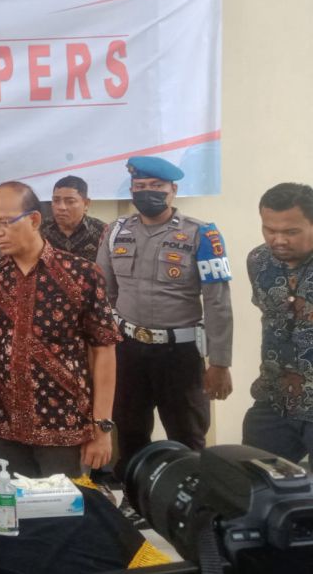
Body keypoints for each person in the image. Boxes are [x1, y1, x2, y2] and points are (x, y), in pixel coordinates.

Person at [0, 183, 121, 481]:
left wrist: (101, 428)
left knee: (68, 509)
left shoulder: (82, 274)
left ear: (34, 219)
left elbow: (103, 349)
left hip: (66, 428)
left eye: (4, 222)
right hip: (1, 428)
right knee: (7, 509)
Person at [96, 156, 233, 475]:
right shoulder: (115, 231)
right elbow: (105, 293)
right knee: (129, 431)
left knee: (187, 436)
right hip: (128, 349)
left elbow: (218, 302)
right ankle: (133, 493)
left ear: (173, 190)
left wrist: (220, 363)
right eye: (140, 186)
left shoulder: (202, 234)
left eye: (156, 186)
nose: (148, 192)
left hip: (179, 354)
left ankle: (192, 498)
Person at [242, 183, 313, 462]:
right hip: (274, 399)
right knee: (253, 477)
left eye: (291, 232)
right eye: (269, 229)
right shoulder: (259, 260)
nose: (278, 240)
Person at [41, 175, 107, 263]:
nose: (61, 207)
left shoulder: (103, 232)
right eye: (56, 201)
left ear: (86, 204)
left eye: (70, 201)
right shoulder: (40, 230)